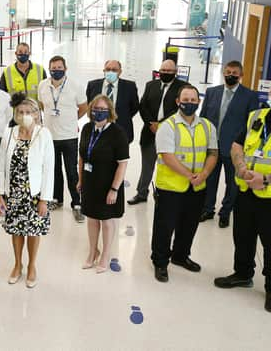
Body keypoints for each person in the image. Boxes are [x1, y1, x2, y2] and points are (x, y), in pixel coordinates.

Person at [151, 85, 218, 283]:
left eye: (193, 100)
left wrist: (204, 174)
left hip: (197, 187)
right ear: (177, 102)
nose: (189, 103)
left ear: (199, 102)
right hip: (171, 186)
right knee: (165, 226)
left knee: (189, 225)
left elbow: (213, 153)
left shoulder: (207, 126)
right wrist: (190, 175)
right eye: (185, 99)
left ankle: (180, 256)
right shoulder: (168, 125)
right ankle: (160, 262)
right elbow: (167, 156)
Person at [214, 96, 271, 312]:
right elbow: (237, 145)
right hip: (246, 191)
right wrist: (240, 167)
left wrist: (264, 179)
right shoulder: (257, 116)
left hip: (269, 195)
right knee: (243, 235)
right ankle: (243, 274)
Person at [0, 93, 54, 288]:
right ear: (16, 114)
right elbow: (1, 166)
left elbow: (48, 169)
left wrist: (45, 199)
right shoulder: (9, 133)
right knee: (16, 230)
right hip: (14, 193)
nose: (24, 115)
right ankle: (18, 264)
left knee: (33, 231)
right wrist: (0, 195)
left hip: (34, 195)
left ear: (36, 115)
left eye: (29, 112)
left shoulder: (43, 134)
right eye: (21, 112)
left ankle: (32, 265)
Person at [199, 60, 258, 227]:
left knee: (232, 183)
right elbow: (203, 118)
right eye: (228, 72)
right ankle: (208, 209)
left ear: (241, 75)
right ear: (223, 72)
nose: (230, 75)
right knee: (210, 178)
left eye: (234, 73)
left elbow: (251, 124)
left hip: (233, 148)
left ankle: (225, 211)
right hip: (212, 146)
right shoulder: (212, 92)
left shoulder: (249, 96)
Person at [77, 95, 129, 273]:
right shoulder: (86, 128)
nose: (98, 113)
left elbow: (122, 164)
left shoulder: (118, 133)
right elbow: (82, 157)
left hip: (108, 184)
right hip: (90, 182)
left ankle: (105, 254)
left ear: (110, 112)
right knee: (91, 218)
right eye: (95, 109)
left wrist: (114, 189)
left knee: (106, 221)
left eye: (102, 110)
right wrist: (80, 179)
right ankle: (93, 251)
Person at [37, 55, 88, 222]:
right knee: (54, 170)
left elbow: (83, 108)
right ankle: (57, 199)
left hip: (69, 136)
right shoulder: (43, 85)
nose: (56, 71)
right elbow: (41, 106)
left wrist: (72, 120)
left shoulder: (75, 86)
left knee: (72, 171)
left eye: (59, 68)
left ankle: (77, 203)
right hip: (49, 135)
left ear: (65, 69)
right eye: (53, 68)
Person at [128, 60, 185, 205]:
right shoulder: (150, 85)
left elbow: (178, 110)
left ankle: (168, 193)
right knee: (147, 165)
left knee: (170, 165)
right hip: (149, 132)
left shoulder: (183, 88)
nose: (165, 73)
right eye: (163, 70)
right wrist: (151, 124)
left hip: (171, 133)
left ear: (175, 72)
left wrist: (162, 125)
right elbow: (143, 106)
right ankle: (141, 193)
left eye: (169, 71)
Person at [85, 60, 139, 144]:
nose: (110, 72)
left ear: (120, 72)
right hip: (97, 130)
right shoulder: (93, 85)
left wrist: (121, 116)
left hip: (121, 131)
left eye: (114, 70)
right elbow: (89, 104)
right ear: (104, 71)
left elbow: (134, 107)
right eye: (108, 69)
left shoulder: (129, 86)